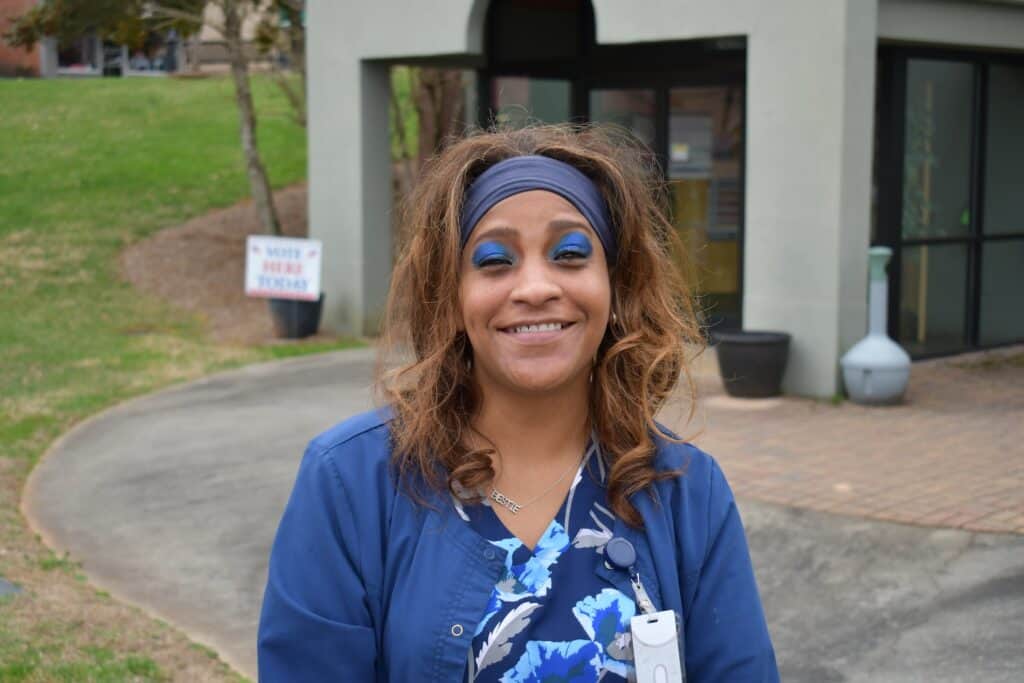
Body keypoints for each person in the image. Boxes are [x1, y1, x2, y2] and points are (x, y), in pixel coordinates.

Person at [257, 124, 778, 682]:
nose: (534, 287)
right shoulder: (350, 482)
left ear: (615, 287)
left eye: (571, 253)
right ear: (451, 296)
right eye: (494, 260)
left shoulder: (686, 493)